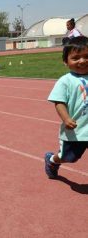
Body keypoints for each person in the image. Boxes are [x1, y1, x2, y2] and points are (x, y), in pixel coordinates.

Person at [45, 36, 88, 179]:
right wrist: (66, 118)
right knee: (69, 157)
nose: (82, 61)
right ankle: (52, 161)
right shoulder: (65, 81)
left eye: (87, 56)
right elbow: (59, 102)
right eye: (76, 58)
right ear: (66, 62)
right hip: (76, 131)